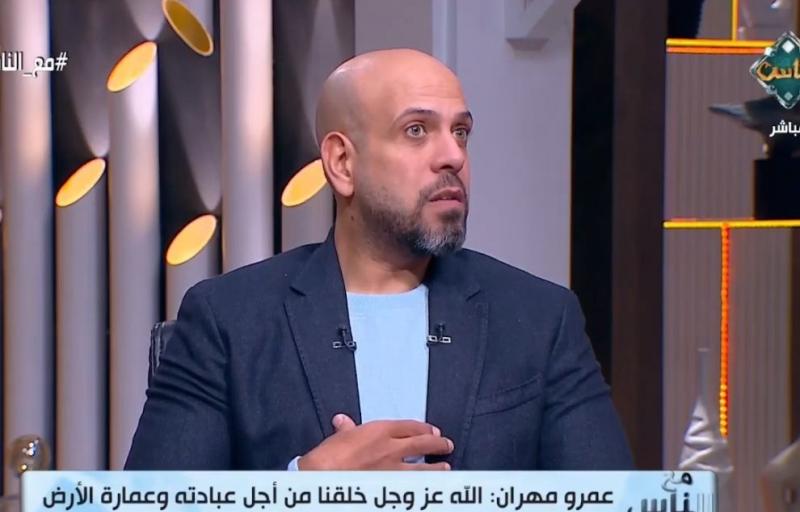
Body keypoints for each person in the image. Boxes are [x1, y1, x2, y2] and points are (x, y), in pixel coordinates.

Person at [126, 48, 632, 483]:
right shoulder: (228, 320)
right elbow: (150, 510)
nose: (453, 155)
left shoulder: (538, 319)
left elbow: (613, 506)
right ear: (342, 163)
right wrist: (302, 488)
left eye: (461, 132)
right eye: (416, 130)